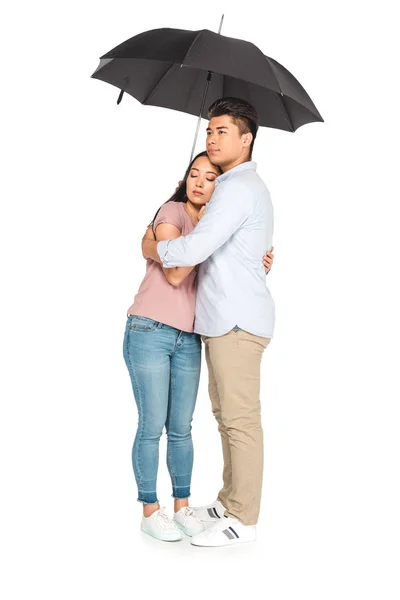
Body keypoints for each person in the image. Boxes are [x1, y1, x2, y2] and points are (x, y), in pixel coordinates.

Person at [142, 97, 275, 547]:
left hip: (237, 322)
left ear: (246, 138)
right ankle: (228, 499)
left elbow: (192, 253)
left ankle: (244, 518)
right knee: (225, 417)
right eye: (209, 131)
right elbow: (233, 250)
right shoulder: (233, 189)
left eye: (222, 131)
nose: (212, 138)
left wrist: (151, 246)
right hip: (223, 322)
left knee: (240, 420)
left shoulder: (236, 188)